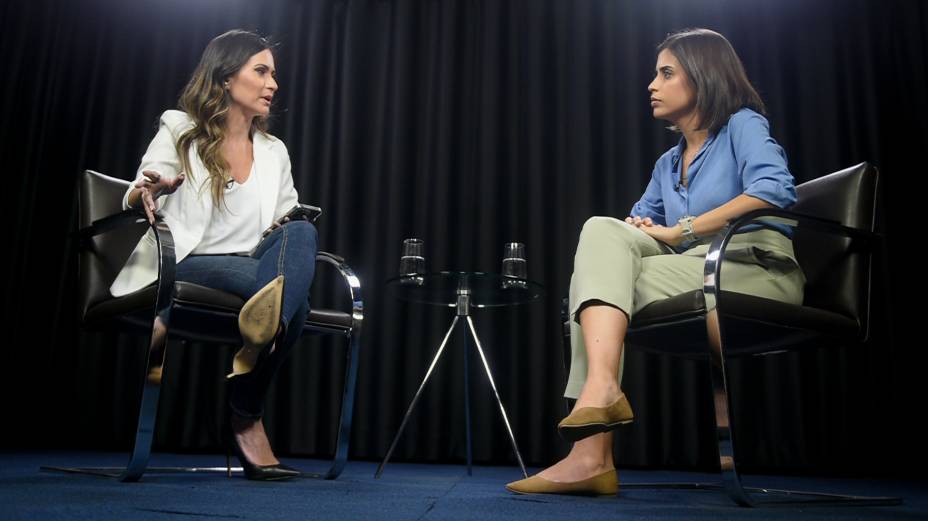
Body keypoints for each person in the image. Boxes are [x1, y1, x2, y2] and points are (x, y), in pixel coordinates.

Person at [506, 28, 805, 496]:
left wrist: (680, 230)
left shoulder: (742, 124)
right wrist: (637, 228)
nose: (652, 84)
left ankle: (591, 454)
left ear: (703, 77)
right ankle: (601, 400)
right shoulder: (668, 163)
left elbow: (773, 190)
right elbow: (637, 224)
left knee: (592, 289)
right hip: (695, 272)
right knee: (601, 233)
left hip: (754, 270)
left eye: (666, 73)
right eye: (654, 73)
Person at [110, 29, 317, 481]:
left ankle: (266, 322)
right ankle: (246, 408)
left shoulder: (274, 151)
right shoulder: (180, 128)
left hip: (254, 268)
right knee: (293, 302)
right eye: (261, 71)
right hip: (186, 262)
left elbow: (283, 222)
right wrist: (148, 190)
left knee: (300, 230)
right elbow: (137, 188)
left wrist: (291, 231)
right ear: (225, 77)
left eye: (274, 74)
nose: (273, 84)